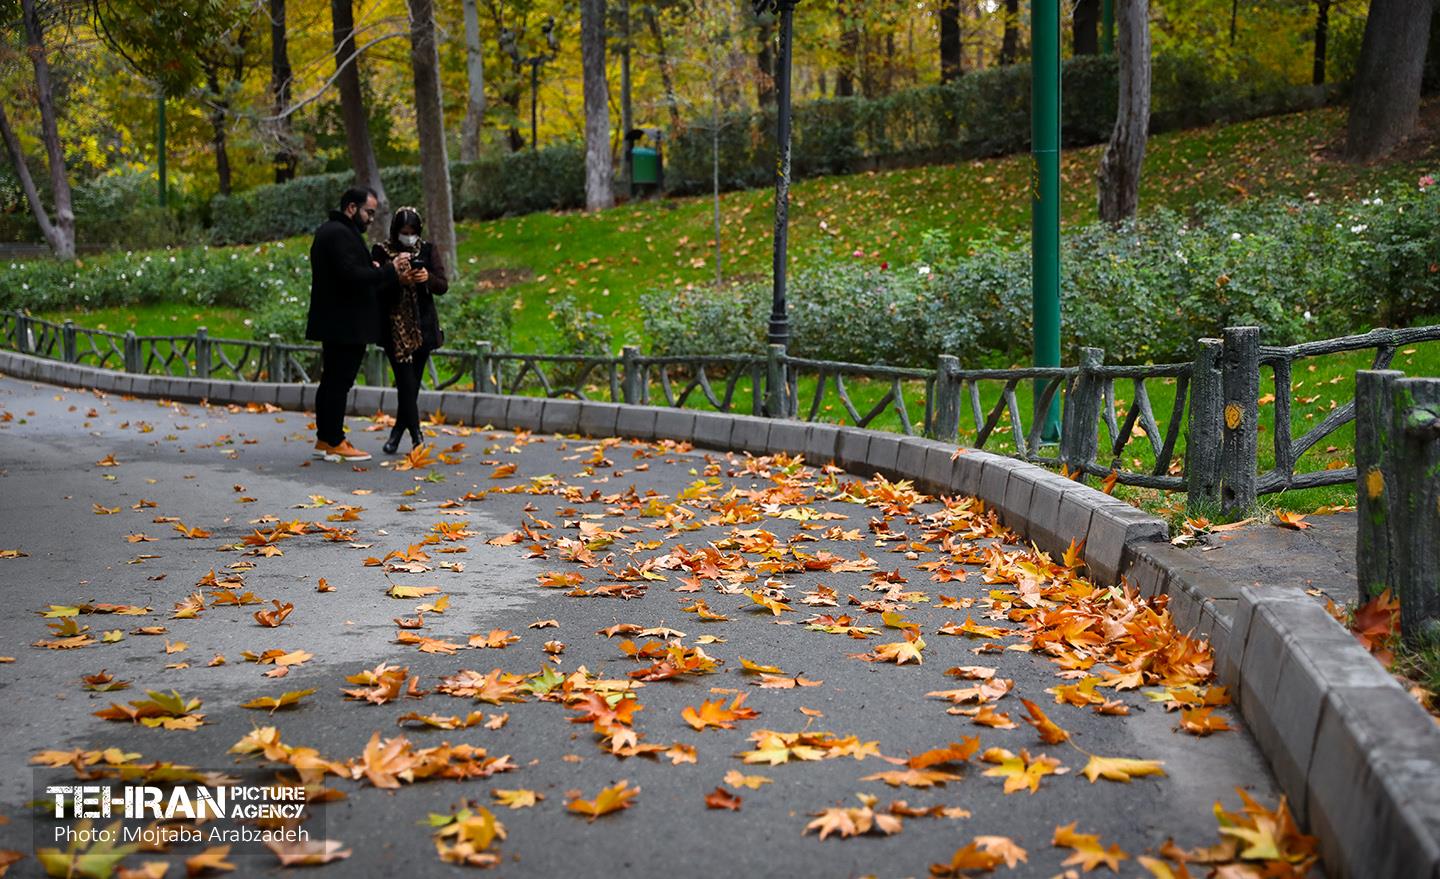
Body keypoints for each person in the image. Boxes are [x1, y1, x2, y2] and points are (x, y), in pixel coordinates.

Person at [305, 186, 409, 462]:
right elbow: (350, 275)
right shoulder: (339, 234)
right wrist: (389, 271)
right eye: (368, 212)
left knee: (331, 381)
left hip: (337, 320)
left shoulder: (332, 232)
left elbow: (347, 271)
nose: (371, 218)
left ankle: (326, 438)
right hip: (345, 323)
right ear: (352, 208)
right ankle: (335, 440)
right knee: (339, 382)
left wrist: (372, 269)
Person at [371, 206, 449, 454]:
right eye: (403, 232)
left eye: (412, 231)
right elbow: (375, 286)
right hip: (395, 328)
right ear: (395, 231)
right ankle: (417, 436)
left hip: (423, 327)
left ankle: (396, 433)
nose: (408, 236)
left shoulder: (427, 250)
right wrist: (397, 277)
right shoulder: (382, 251)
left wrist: (426, 278)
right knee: (405, 382)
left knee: (412, 385)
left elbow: (443, 285)